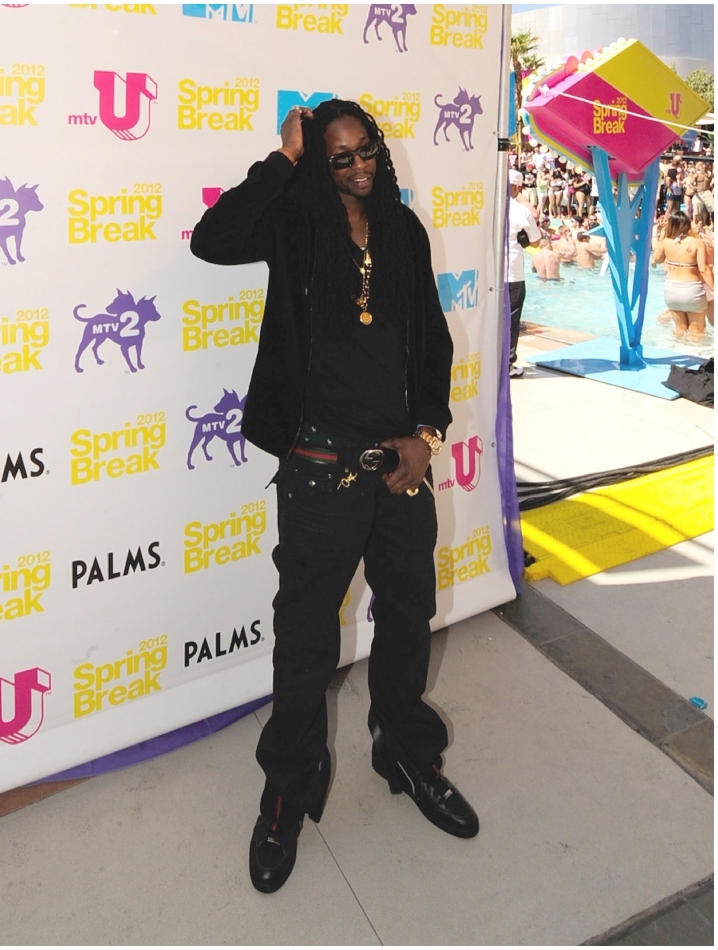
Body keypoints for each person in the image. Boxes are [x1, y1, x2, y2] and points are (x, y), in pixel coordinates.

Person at [190, 99, 479, 895]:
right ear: (319, 163)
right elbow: (212, 242)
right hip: (318, 466)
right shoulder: (292, 223)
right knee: (306, 641)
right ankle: (289, 786)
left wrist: (426, 431)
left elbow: (429, 336)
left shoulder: (405, 231)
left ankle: (406, 752)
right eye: (338, 157)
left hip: (399, 464)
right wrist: (283, 160)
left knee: (409, 618)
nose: (357, 168)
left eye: (365, 153)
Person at [652, 210, 714, 337]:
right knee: (696, 332)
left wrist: (663, 237)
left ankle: (679, 352)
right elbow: (704, 269)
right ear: (687, 225)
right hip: (691, 289)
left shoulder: (666, 242)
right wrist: (714, 289)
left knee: (680, 330)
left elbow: (657, 260)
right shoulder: (697, 243)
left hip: (672, 289)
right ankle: (697, 355)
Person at [507, 169, 541, 377]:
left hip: (490, 269)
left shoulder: (487, 205)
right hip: (512, 271)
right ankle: (508, 364)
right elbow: (535, 241)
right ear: (518, 188)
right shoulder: (521, 210)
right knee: (511, 318)